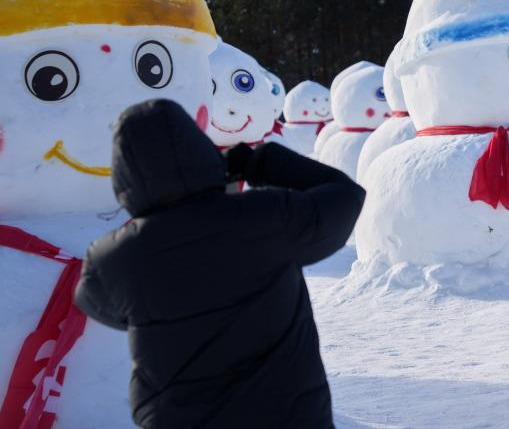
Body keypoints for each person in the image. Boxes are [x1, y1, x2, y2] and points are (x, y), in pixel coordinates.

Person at [74, 98, 365, 428]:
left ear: (125, 174)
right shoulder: (268, 218)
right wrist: (262, 162)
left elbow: (95, 303)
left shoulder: (114, 260)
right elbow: (345, 196)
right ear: (201, 148)